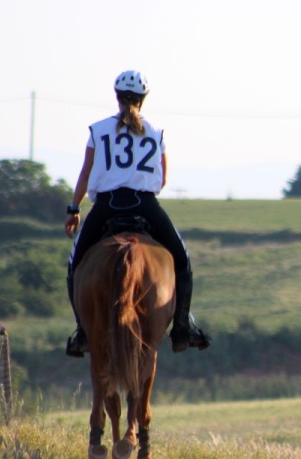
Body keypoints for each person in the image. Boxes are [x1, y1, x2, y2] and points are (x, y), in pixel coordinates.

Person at [64, 70, 211, 357]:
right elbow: (163, 179)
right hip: (145, 204)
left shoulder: (98, 130)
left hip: (105, 206)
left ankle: (82, 331)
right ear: (143, 100)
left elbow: (85, 174)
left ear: (117, 97)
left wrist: (73, 209)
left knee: (75, 264)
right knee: (182, 259)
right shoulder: (157, 132)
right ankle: (182, 328)